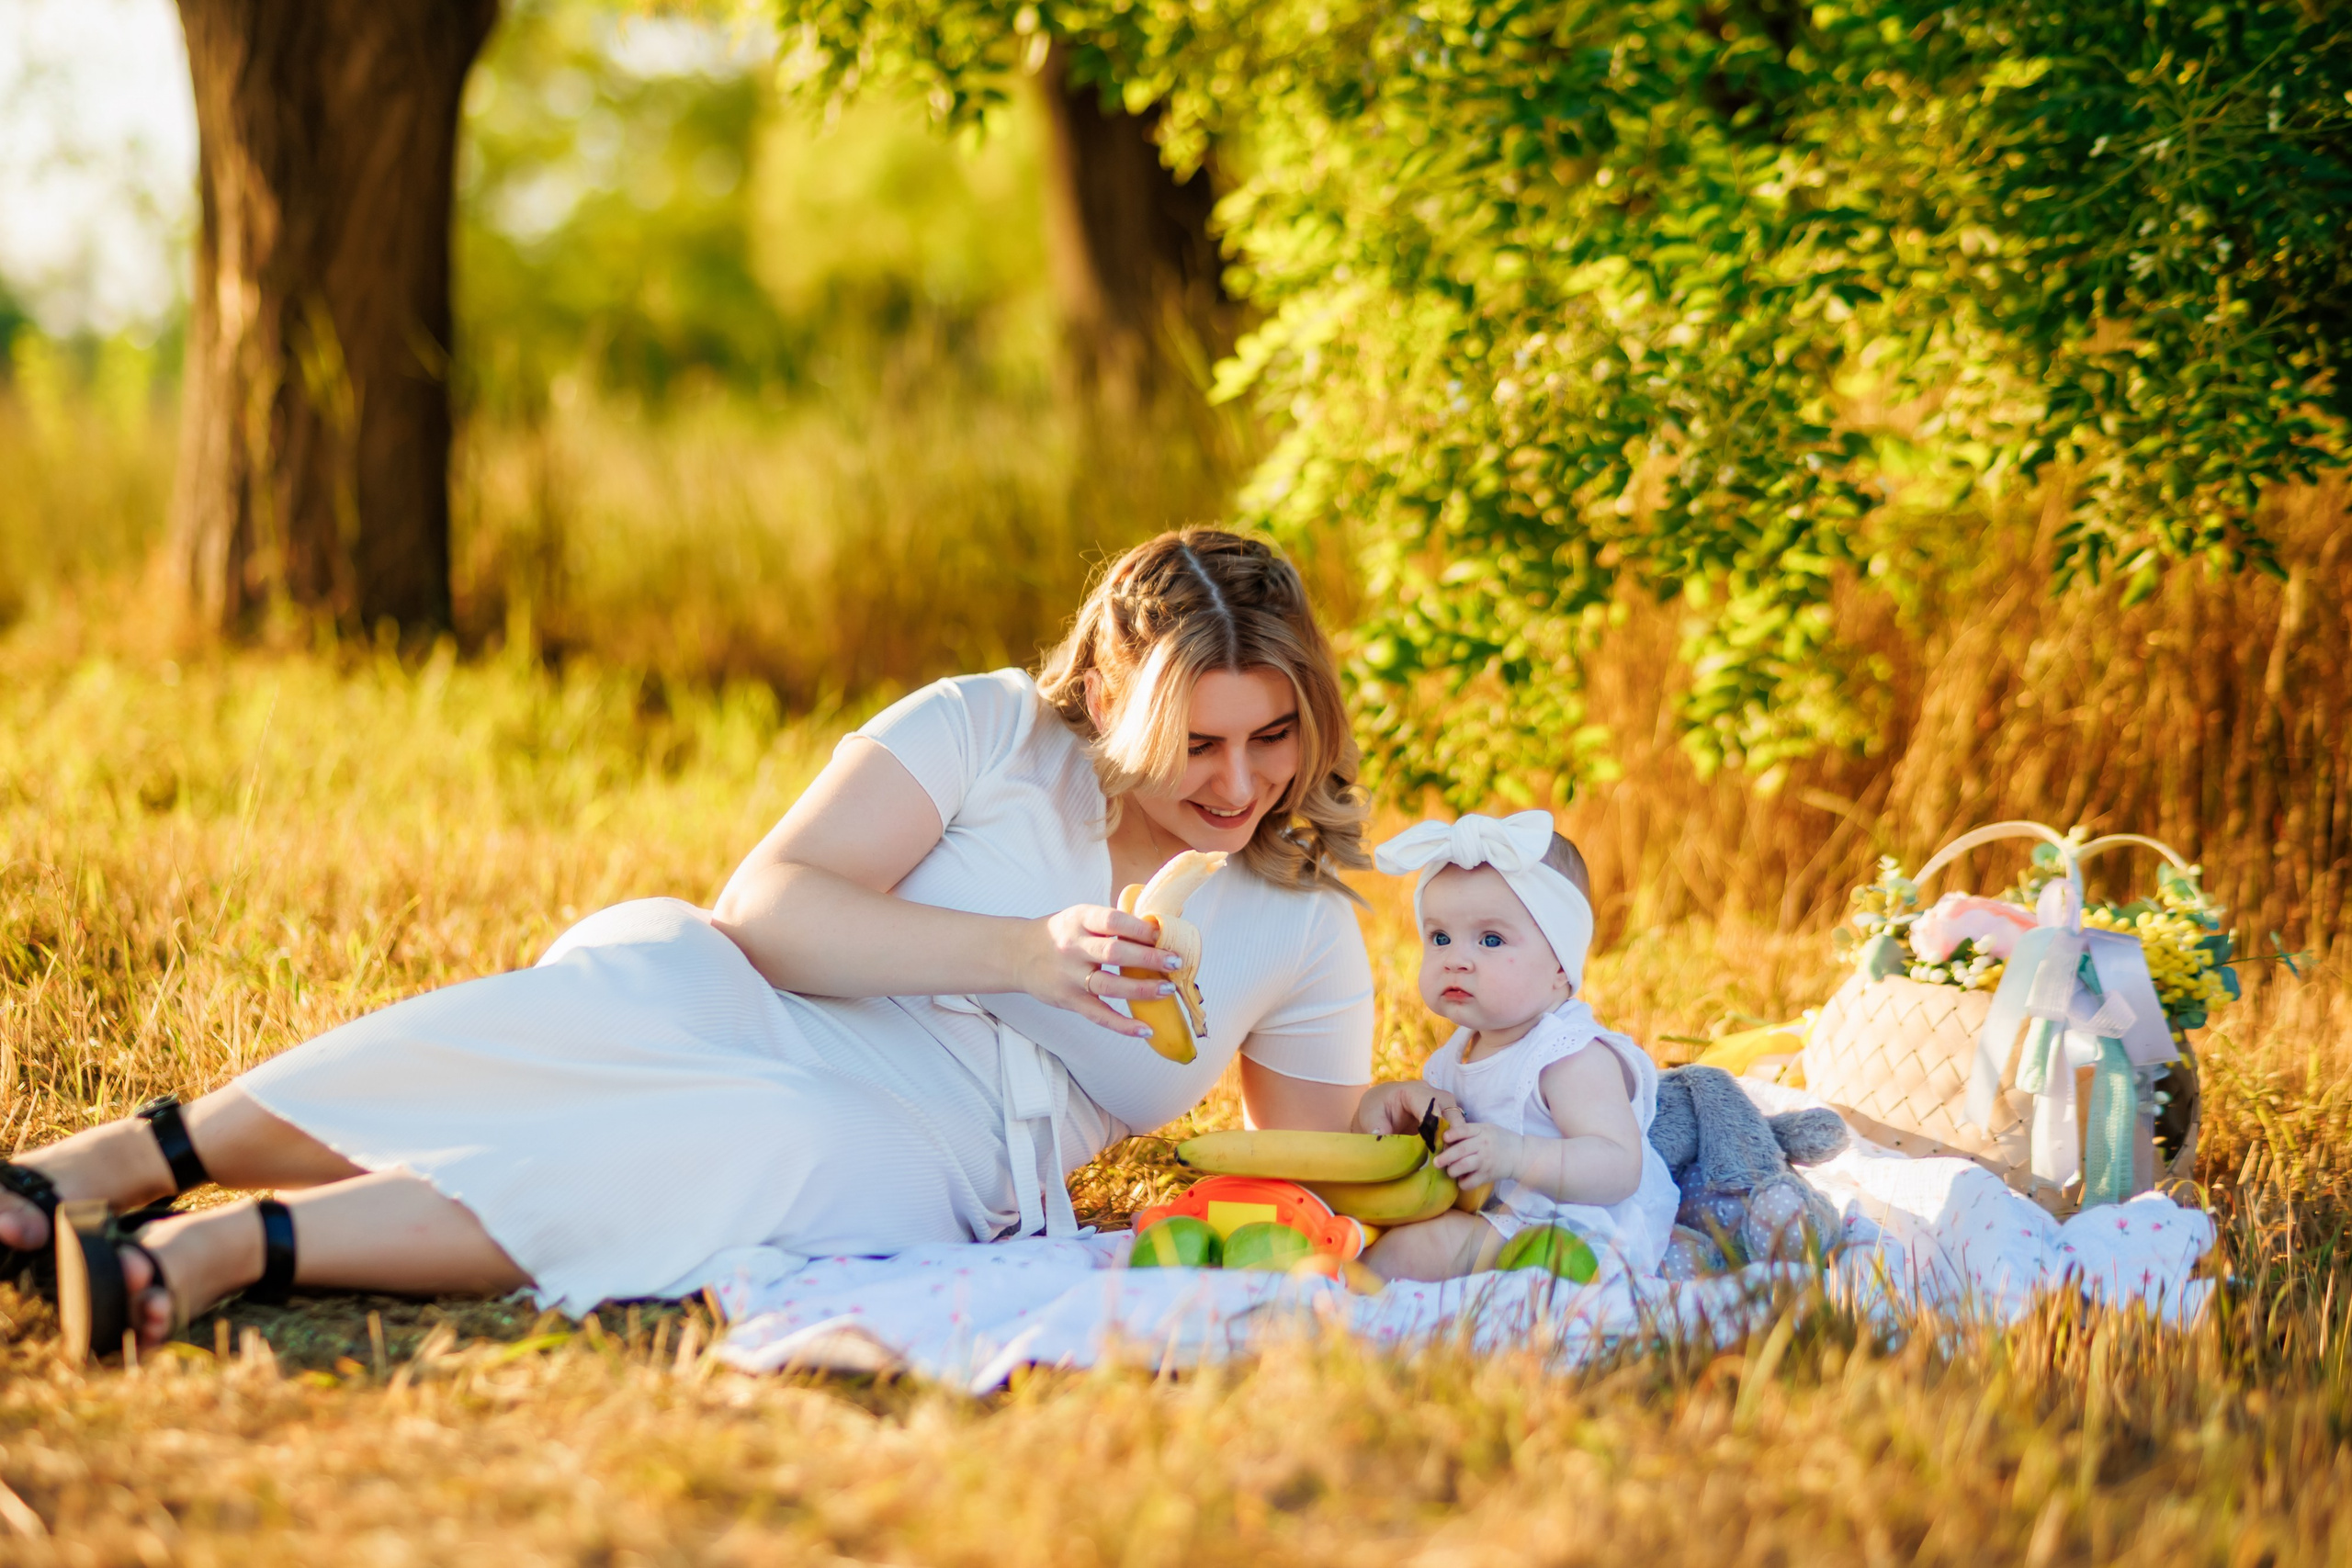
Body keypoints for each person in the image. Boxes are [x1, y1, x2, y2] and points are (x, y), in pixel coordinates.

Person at [2, 530, 1377, 1359]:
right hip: (761, 996)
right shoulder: (989, 727)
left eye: (1274, 734)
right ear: (1107, 694)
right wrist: (1023, 949)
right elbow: (771, 906)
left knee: (745, 1136)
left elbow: (1308, 1171)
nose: (1238, 779)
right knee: (615, 985)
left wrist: (1418, 1122)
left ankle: (224, 1252)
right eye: (1196, 740)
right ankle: (114, 1164)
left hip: (937, 1146)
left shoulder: (1301, 918)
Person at [1348, 812, 1679, 1281]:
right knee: (1375, 1227)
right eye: (1439, 937)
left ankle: (1360, 1312)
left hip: (1570, 1232)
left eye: (1490, 939)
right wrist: (1383, 1105)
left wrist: (1515, 1156)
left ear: (1560, 967)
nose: (1456, 960)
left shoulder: (1567, 1055)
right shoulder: (1459, 1052)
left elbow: (1619, 1166)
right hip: (1494, 1216)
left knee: (1416, 1250)